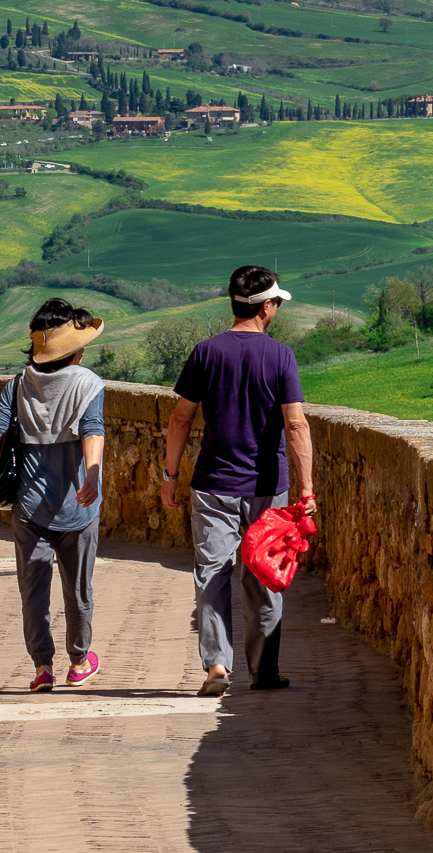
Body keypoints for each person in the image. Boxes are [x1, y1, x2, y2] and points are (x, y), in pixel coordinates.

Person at [160, 265, 316, 696]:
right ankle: (264, 671)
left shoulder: (206, 352)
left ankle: (216, 665)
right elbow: (296, 425)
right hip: (269, 487)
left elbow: (181, 417)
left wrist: (170, 475)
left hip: (213, 483)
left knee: (212, 572)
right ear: (266, 307)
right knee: (264, 576)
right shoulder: (281, 357)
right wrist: (306, 489)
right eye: (277, 304)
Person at [0, 299, 107, 693]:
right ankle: (78, 660)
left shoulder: (18, 384)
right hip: (77, 504)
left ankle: (42, 668)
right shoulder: (88, 383)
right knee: (78, 587)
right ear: (73, 348)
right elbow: (92, 430)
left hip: (29, 505)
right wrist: (91, 475)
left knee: (33, 591)